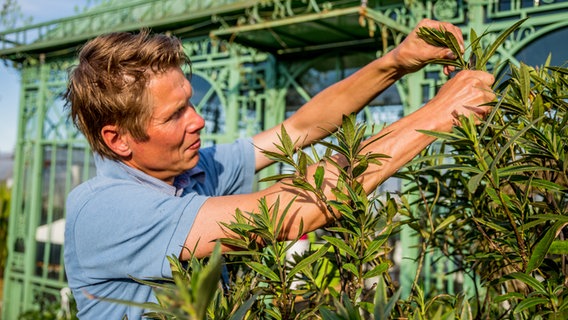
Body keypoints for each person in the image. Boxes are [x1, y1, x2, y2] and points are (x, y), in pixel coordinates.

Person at [63, 18, 495, 319]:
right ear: (117, 138)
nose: (198, 120)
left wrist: (396, 62)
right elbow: (295, 211)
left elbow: (300, 127)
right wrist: (438, 115)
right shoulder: (104, 211)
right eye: (175, 115)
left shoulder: (194, 172)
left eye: (191, 102)